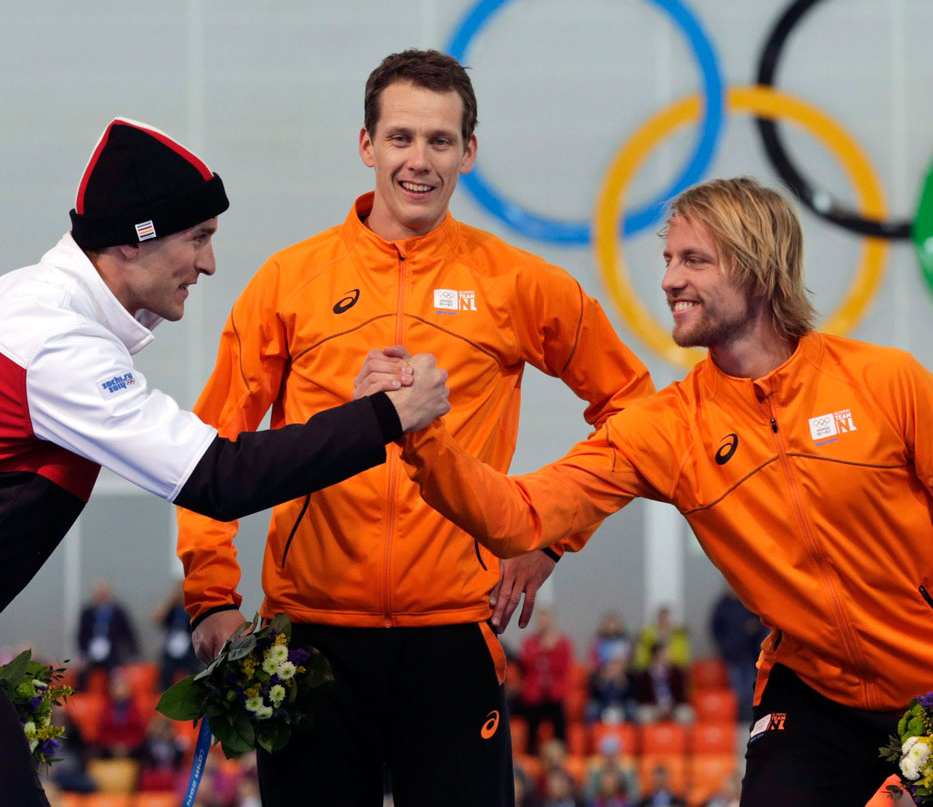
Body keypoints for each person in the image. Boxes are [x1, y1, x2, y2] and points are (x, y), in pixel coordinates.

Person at [377, 177, 933, 807]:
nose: (670, 280)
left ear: (757, 269)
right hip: (813, 697)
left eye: (694, 261)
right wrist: (417, 435)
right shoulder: (669, 428)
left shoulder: (886, 382)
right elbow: (517, 515)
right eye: (668, 260)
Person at [175, 49, 653, 806]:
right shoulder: (290, 282)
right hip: (310, 639)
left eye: (439, 141)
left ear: (469, 151)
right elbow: (206, 452)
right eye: (400, 138)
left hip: (453, 636)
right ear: (366, 146)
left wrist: (546, 533)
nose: (418, 161)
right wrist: (211, 595)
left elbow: (634, 410)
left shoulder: (518, 283)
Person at [0, 117, 451, 807]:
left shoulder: (36, 310)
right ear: (134, 239)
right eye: (198, 239)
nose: (209, 265)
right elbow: (220, 478)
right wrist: (387, 418)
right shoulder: (56, 342)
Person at [517, 606, 574, 754]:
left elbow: (563, 667)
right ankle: (530, 753)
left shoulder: (562, 643)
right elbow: (527, 662)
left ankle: (563, 752)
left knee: (560, 719)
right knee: (531, 721)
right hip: (534, 695)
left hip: (554, 694)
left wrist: (548, 652)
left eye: (546, 617)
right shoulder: (529, 642)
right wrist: (545, 650)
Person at [710, 584, 766, 723]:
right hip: (732, 655)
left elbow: (761, 622)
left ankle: (751, 718)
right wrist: (724, 645)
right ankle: (740, 719)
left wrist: (754, 628)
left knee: (751, 689)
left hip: (749, 655)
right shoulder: (721, 606)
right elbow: (714, 628)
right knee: (737, 691)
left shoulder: (747, 602)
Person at [75, 581, 138, 688]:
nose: (101, 596)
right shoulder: (87, 612)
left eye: (103, 593)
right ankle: (80, 700)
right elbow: (81, 635)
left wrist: (131, 653)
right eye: (99, 593)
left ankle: (113, 702)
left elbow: (128, 633)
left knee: (117, 675)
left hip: (112, 654)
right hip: (91, 652)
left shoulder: (118, 612)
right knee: (81, 674)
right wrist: (81, 653)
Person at [153, 579, 199, 692]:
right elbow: (156, 618)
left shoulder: (193, 609)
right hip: (171, 651)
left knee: (195, 672)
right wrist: (170, 600)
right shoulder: (172, 609)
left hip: (189, 651)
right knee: (164, 672)